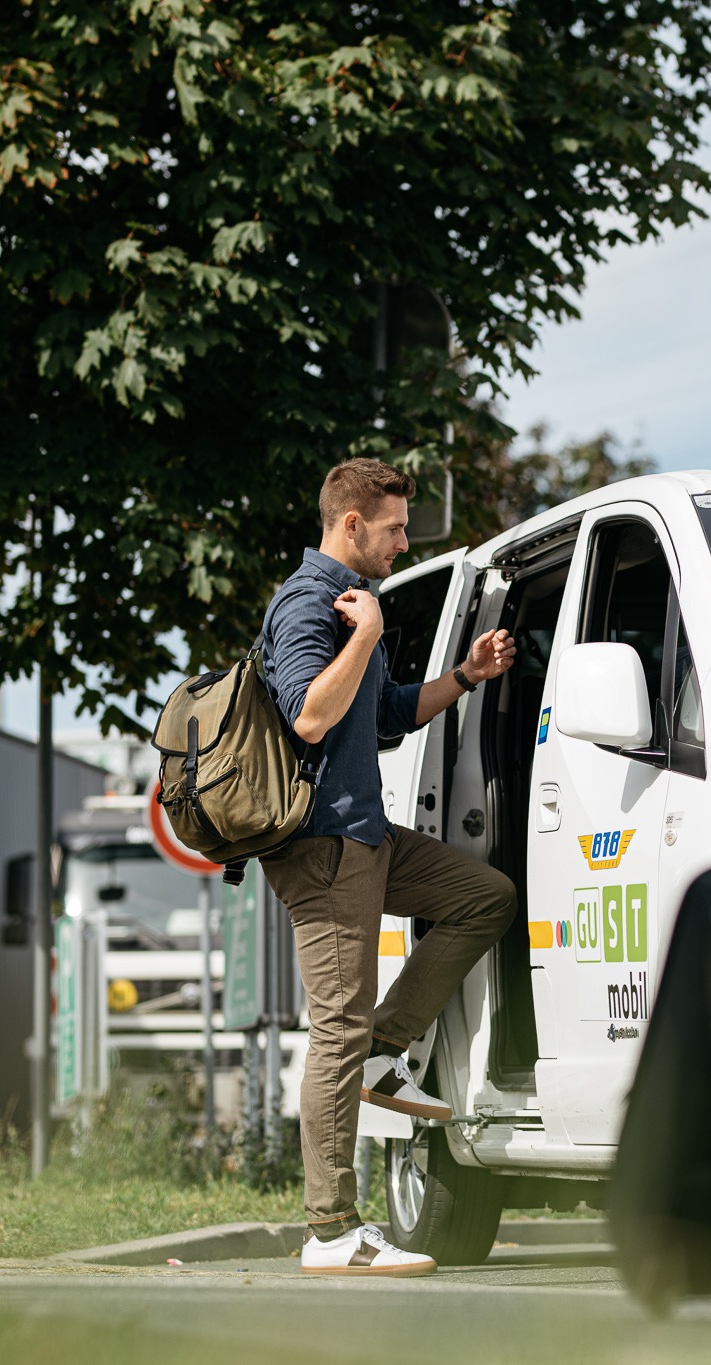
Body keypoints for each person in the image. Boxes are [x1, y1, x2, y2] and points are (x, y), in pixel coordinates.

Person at [260, 457, 520, 1277]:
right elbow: (308, 714)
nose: (405, 541)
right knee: (334, 1024)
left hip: (368, 834)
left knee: (484, 896)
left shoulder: (350, 605)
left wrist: (466, 677)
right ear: (350, 524)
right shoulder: (311, 604)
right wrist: (365, 633)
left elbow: (385, 715)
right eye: (396, 527)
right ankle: (331, 1229)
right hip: (324, 844)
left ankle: (386, 1048)